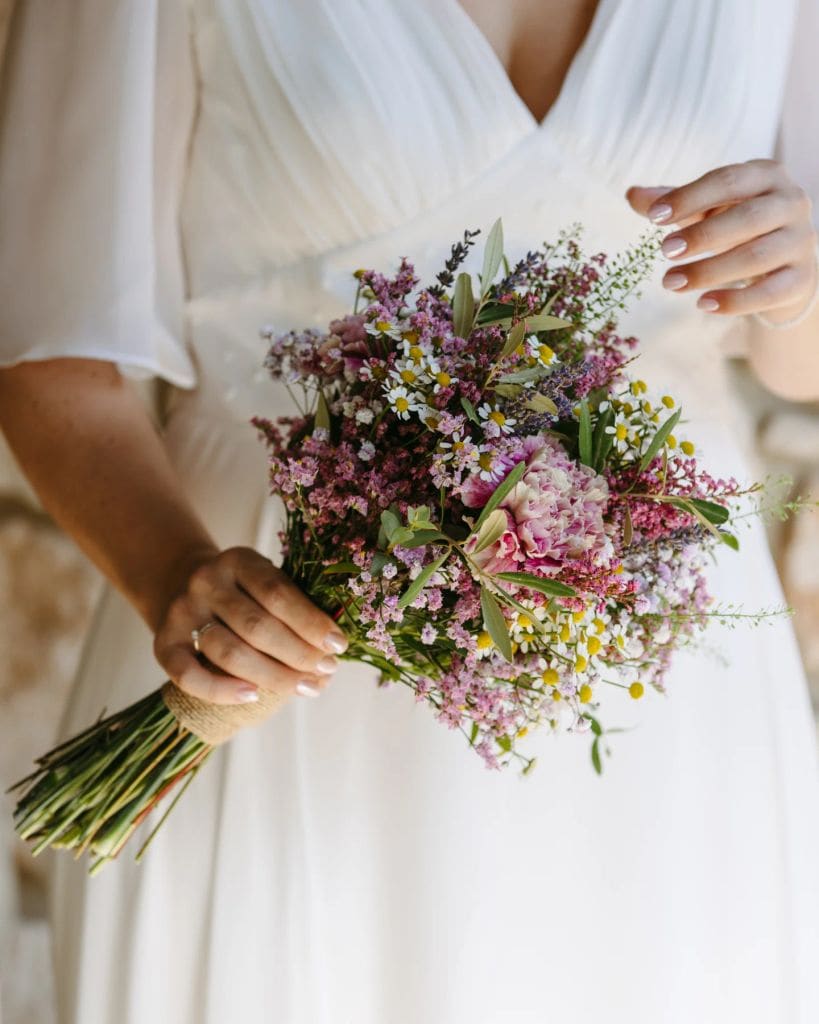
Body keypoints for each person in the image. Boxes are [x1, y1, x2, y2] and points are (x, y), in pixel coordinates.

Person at [1, 1, 818, 1021]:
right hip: (277, 645)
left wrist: (800, 280)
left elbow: (801, 363)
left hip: (669, 699)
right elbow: (54, 359)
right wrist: (177, 578)